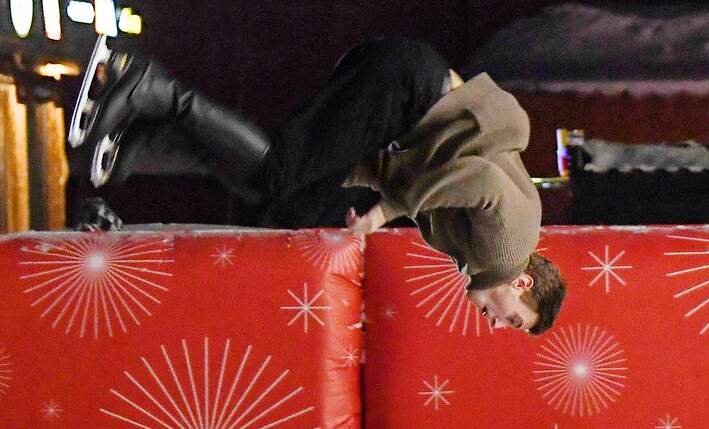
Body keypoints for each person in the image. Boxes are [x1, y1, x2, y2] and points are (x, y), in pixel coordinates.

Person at [78, 36, 566, 335]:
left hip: (402, 93)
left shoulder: (470, 252)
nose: (496, 326)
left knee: (277, 188)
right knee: (279, 170)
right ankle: (149, 86)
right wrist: (388, 210)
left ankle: (141, 141)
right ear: (522, 284)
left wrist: (343, 180)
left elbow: (411, 171)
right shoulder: (508, 250)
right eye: (513, 319)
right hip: (406, 90)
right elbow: (480, 180)